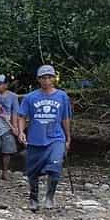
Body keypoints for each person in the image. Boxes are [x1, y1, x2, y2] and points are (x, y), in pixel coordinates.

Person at [18, 65, 73, 211]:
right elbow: (22, 116)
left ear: (54, 78)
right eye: (43, 77)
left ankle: (50, 196)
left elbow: (65, 118)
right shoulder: (30, 97)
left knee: (55, 167)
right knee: (33, 171)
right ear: (38, 79)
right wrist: (21, 131)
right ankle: (33, 198)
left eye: (49, 77)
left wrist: (68, 136)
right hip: (36, 139)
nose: (47, 80)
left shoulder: (62, 96)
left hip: (56, 137)